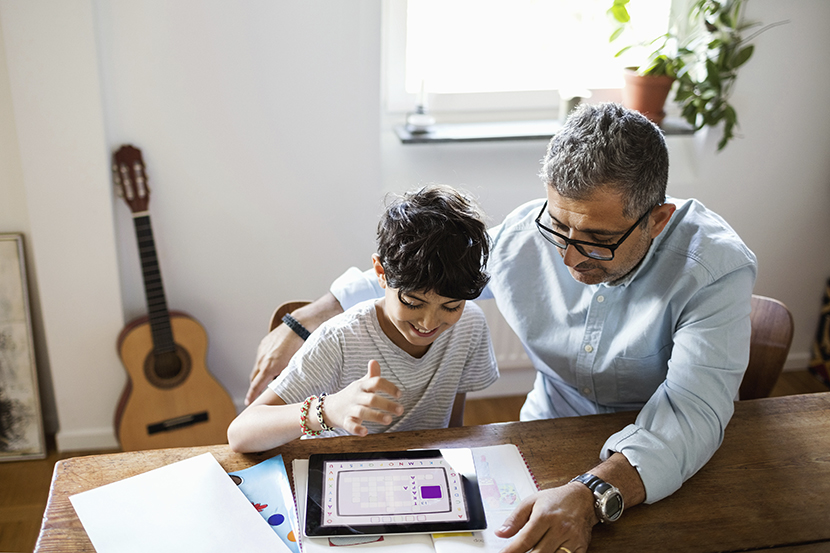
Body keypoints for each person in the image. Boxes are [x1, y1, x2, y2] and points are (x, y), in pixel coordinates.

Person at [246, 103, 757, 553]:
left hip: (649, 464)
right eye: (559, 226)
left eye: (599, 239)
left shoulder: (714, 269)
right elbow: (430, 268)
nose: (569, 256)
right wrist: (307, 316)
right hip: (542, 436)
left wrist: (592, 493)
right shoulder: (528, 234)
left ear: (657, 219)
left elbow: (690, 415)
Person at [229, 184, 498, 453]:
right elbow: (241, 433)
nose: (429, 323)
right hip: (343, 471)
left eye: (451, 306)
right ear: (381, 272)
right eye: (413, 302)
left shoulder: (469, 326)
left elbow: (454, 430)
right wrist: (329, 409)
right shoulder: (340, 339)